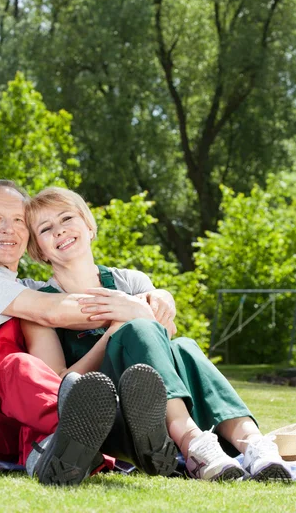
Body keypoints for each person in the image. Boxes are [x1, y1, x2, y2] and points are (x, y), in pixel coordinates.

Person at [22, 186, 292, 482]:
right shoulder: (39, 304)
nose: (60, 231)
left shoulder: (131, 281)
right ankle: (193, 444)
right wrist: (115, 329)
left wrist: (155, 301)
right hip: (108, 416)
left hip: (159, 409)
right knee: (136, 328)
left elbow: (164, 339)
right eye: (46, 228)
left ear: (88, 225)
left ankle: (254, 444)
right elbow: (58, 384)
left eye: (67, 218)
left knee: (185, 346)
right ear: (38, 249)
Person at [0, 179, 178, 487]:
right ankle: (123, 443)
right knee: (21, 367)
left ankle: (57, 454)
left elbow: (66, 299)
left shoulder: (28, 288)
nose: (8, 228)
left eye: (18, 220)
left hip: (19, 419)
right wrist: (137, 307)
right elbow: (52, 310)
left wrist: (158, 293)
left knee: (43, 377)